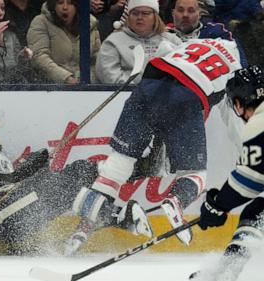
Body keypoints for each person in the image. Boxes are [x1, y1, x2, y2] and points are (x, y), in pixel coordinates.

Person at [64, 36, 243, 255]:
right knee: (195, 172)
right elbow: (235, 117)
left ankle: (82, 230)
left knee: (118, 164)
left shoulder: (191, 44)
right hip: (186, 95)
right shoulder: (235, 67)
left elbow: (161, 50)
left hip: (148, 86)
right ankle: (176, 201)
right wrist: (249, 148)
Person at [0, 91, 104, 256]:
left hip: (8, 208)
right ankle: (114, 215)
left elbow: (3, 181)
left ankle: (94, 218)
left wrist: (30, 168)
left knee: (82, 170)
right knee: (58, 186)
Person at [186, 65, 264, 281]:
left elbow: (250, 181)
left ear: (239, 103)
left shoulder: (258, 124)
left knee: (257, 213)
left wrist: (217, 206)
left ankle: (226, 272)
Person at [95, 0, 182, 84]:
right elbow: (108, 75)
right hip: (124, 94)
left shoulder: (173, 41)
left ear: (155, 16)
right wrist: (138, 89)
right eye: (135, 13)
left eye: (145, 13)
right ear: (128, 16)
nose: (139, 17)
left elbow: (183, 73)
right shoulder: (113, 42)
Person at [27, 0, 101, 84]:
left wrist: (88, 79)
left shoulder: (90, 24)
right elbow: (39, 56)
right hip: (49, 86)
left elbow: (98, 59)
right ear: (53, 6)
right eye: (60, 3)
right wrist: (66, 78)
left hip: (87, 86)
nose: (65, 7)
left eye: (70, 3)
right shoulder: (41, 22)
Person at [169, 0, 248, 68]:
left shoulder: (218, 32)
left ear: (199, 15)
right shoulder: (163, 35)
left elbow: (240, 61)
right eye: (180, 10)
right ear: (173, 13)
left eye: (191, 11)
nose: (185, 15)